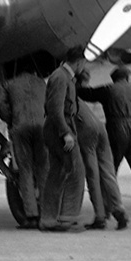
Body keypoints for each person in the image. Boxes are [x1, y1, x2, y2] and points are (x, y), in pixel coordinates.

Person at [78, 66, 131, 228]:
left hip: (116, 129)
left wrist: (79, 82)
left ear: (114, 78)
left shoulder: (109, 89)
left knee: (107, 172)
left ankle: (106, 213)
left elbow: (87, 94)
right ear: (127, 78)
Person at [0, 56, 46, 228]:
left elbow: (0, 106)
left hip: (20, 128)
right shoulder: (41, 83)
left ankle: (30, 216)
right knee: (42, 169)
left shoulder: (9, 84)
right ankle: (47, 213)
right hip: (40, 128)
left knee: (25, 171)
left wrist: (12, 119)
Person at [37, 48, 85, 233]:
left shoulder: (63, 76)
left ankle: (49, 220)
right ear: (79, 61)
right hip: (59, 129)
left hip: (58, 127)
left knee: (56, 175)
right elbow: (55, 109)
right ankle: (67, 219)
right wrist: (65, 133)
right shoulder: (61, 77)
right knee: (76, 171)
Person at [74, 68, 127, 230]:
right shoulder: (80, 95)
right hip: (100, 129)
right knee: (107, 172)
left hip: (87, 132)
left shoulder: (64, 91)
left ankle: (100, 217)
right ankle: (119, 209)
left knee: (92, 175)